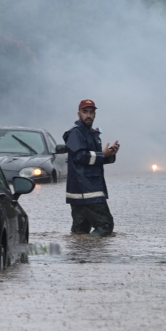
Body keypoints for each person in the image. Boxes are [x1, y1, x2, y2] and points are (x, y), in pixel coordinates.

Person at [63, 99, 120, 236]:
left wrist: (109, 155)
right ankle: (94, 255)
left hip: (83, 190)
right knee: (105, 225)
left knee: (80, 231)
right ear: (79, 114)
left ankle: (80, 255)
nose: (88, 115)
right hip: (87, 190)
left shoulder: (92, 134)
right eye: (85, 112)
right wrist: (102, 155)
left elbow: (94, 158)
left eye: (91, 112)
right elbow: (80, 156)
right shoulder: (77, 133)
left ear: (95, 114)